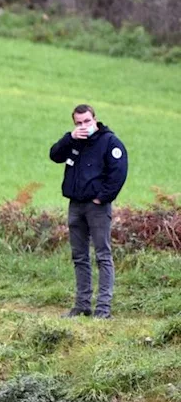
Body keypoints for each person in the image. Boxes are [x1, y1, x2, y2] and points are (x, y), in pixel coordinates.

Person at [49, 104, 129, 319]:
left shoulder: (110, 142)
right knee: (79, 256)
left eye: (87, 121)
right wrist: (70, 137)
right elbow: (54, 155)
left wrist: (101, 198)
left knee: (103, 255)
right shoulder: (75, 141)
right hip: (75, 204)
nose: (84, 126)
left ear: (95, 119)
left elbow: (118, 174)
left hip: (97, 207)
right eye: (79, 123)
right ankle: (82, 305)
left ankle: (103, 309)